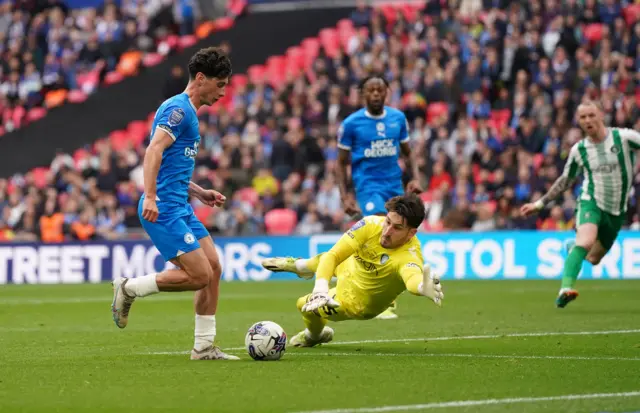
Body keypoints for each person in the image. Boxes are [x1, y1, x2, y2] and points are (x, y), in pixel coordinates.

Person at [111, 47, 239, 361]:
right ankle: (129, 288)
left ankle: (204, 347)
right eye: (220, 84)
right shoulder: (177, 110)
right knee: (199, 276)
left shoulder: (189, 114)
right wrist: (151, 196)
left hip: (181, 204)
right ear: (200, 78)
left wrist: (198, 192)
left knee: (213, 268)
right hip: (163, 208)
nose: (223, 93)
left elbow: (171, 165)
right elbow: (153, 151)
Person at [261, 194, 444, 347]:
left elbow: (412, 277)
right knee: (332, 257)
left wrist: (420, 287)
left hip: (357, 301)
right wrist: (320, 290)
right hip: (353, 267)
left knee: (303, 305)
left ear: (411, 233)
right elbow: (333, 255)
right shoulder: (371, 224)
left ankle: (314, 335)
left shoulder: (409, 255)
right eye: (387, 221)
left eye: (397, 228)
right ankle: (301, 267)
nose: (387, 231)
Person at [521, 101, 640, 308]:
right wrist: (540, 204)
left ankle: (572, 248)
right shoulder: (580, 150)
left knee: (593, 258)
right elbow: (565, 180)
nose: (587, 121)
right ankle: (565, 288)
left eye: (591, 115)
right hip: (591, 202)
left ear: (601, 115)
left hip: (617, 210)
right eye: (583, 117)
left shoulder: (624, 138)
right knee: (585, 242)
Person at [336, 74, 423, 320]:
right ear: (362, 93)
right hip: (367, 186)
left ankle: (388, 297)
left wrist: (414, 178)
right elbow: (340, 164)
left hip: (394, 185)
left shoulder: (398, 119)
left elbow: (409, 153)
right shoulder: (351, 124)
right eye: (370, 90)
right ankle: (375, 296)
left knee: (399, 235)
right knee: (379, 227)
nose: (375, 94)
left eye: (380, 90)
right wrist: (345, 196)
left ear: (387, 92)